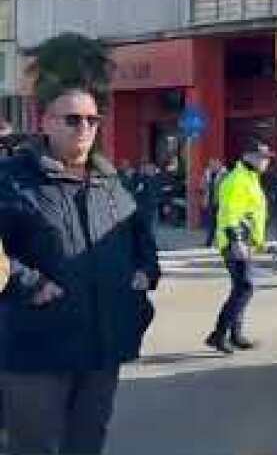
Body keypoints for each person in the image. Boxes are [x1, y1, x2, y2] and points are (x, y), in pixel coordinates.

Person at [0, 33, 160, 455]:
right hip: (37, 350)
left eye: (92, 120)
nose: (84, 128)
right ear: (45, 120)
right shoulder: (12, 178)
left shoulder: (112, 182)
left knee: (87, 445)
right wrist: (30, 284)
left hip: (102, 347)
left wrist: (145, 273)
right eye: (72, 119)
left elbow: (141, 239)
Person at [205, 141, 272, 354]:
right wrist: (236, 242)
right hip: (236, 243)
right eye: (263, 157)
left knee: (240, 288)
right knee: (245, 287)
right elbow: (230, 213)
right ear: (249, 157)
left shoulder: (250, 178)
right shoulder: (237, 179)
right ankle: (219, 334)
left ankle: (235, 334)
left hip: (245, 242)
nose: (266, 162)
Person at [201, 159, 226, 248]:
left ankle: (221, 241)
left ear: (219, 164)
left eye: (214, 164)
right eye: (210, 164)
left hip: (221, 202)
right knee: (211, 223)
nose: (212, 166)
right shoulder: (207, 174)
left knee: (220, 223)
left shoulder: (224, 174)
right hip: (210, 201)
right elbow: (202, 186)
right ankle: (209, 242)